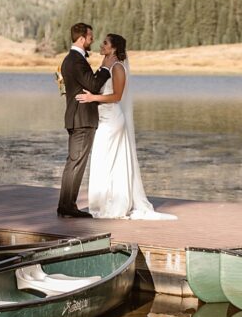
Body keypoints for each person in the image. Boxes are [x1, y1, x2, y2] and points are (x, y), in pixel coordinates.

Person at [76, 33, 177, 220]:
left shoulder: (118, 68)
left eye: (105, 43)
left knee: (108, 160)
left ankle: (115, 203)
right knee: (102, 161)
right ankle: (102, 202)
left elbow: (117, 96)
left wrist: (93, 98)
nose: (101, 44)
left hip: (112, 120)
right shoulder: (106, 66)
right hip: (103, 118)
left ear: (113, 48)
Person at [57, 22, 112, 218]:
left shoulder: (68, 60)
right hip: (82, 119)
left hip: (75, 117)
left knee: (72, 162)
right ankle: (68, 206)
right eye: (90, 37)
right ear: (81, 39)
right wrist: (105, 68)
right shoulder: (76, 61)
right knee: (77, 163)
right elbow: (94, 85)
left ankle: (64, 205)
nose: (92, 40)